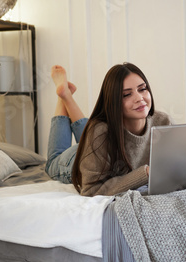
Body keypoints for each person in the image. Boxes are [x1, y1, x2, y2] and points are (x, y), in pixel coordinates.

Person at [45, 63, 172, 196]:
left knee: (93, 132)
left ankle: (66, 94)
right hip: (78, 160)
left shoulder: (163, 122)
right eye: (127, 94)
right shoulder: (99, 133)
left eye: (142, 89)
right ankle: (63, 96)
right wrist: (144, 174)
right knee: (53, 160)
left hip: (98, 148)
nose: (139, 98)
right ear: (113, 101)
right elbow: (91, 189)